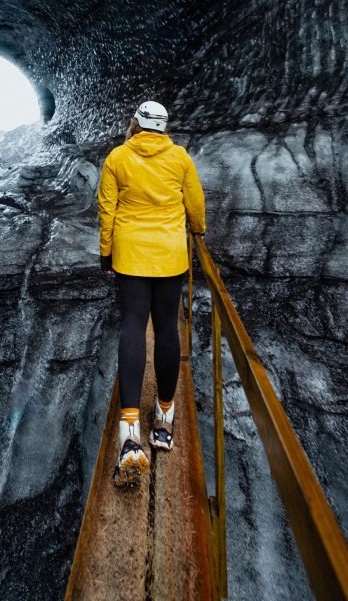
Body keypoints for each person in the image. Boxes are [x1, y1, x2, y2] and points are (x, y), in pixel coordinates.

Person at [97, 100, 207, 487]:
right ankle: (163, 417)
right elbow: (195, 203)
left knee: (132, 325)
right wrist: (198, 230)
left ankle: (130, 431)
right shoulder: (180, 158)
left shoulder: (117, 157)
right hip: (170, 256)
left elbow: (106, 209)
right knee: (166, 329)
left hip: (130, 255)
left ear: (136, 123)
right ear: (163, 127)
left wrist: (106, 252)